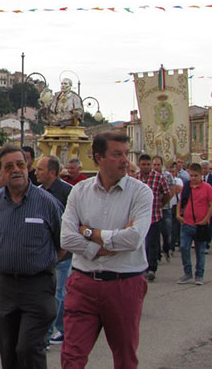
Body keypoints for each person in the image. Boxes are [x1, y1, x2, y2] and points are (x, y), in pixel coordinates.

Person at [60, 131, 152, 369]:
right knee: (71, 357)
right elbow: (67, 239)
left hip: (124, 285)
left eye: (125, 154)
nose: (125, 160)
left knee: (125, 358)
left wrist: (91, 233)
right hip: (83, 283)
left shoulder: (141, 193)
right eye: (117, 154)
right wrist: (102, 248)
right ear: (98, 158)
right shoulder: (79, 191)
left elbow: (133, 239)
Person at [0, 145, 63, 368]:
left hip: (37, 288)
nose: (16, 170)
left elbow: (62, 244)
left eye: (20, 164)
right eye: (8, 166)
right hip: (4, 287)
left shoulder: (47, 203)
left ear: (28, 167)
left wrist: (39, 262)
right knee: (8, 352)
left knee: (29, 348)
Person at [34, 155, 72, 346]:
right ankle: (47, 334)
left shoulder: (68, 192)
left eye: (39, 169)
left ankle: (59, 331)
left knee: (60, 294)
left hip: (63, 254)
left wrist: (63, 249)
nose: (35, 172)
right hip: (43, 253)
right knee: (45, 295)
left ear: (52, 172)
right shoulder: (37, 192)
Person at [176, 163, 212, 285]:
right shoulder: (187, 187)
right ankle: (187, 272)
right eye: (191, 175)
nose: (193, 178)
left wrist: (206, 219)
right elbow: (181, 201)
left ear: (201, 175)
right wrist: (178, 215)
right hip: (187, 223)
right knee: (184, 247)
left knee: (200, 250)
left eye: (195, 176)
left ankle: (199, 275)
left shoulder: (207, 188)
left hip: (201, 225)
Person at [135, 154, 170, 282]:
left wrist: (160, 204)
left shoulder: (159, 178)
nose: (146, 167)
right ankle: (142, 267)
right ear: (139, 165)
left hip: (154, 216)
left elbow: (166, 194)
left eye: (148, 164)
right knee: (141, 243)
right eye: (143, 164)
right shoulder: (136, 178)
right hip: (139, 217)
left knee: (153, 243)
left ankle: (151, 269)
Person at [152, 155, 176, 261]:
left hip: (165, 208)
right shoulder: (150, 176)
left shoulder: (167, 176)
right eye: (154, 165)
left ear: (162, 165)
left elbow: (171, 191)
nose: (156, 167)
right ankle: (156, 254)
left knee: (166, 231)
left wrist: (163, 203)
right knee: (154, 234)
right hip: (153, 210)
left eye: (158, 164)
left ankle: (166, 248)